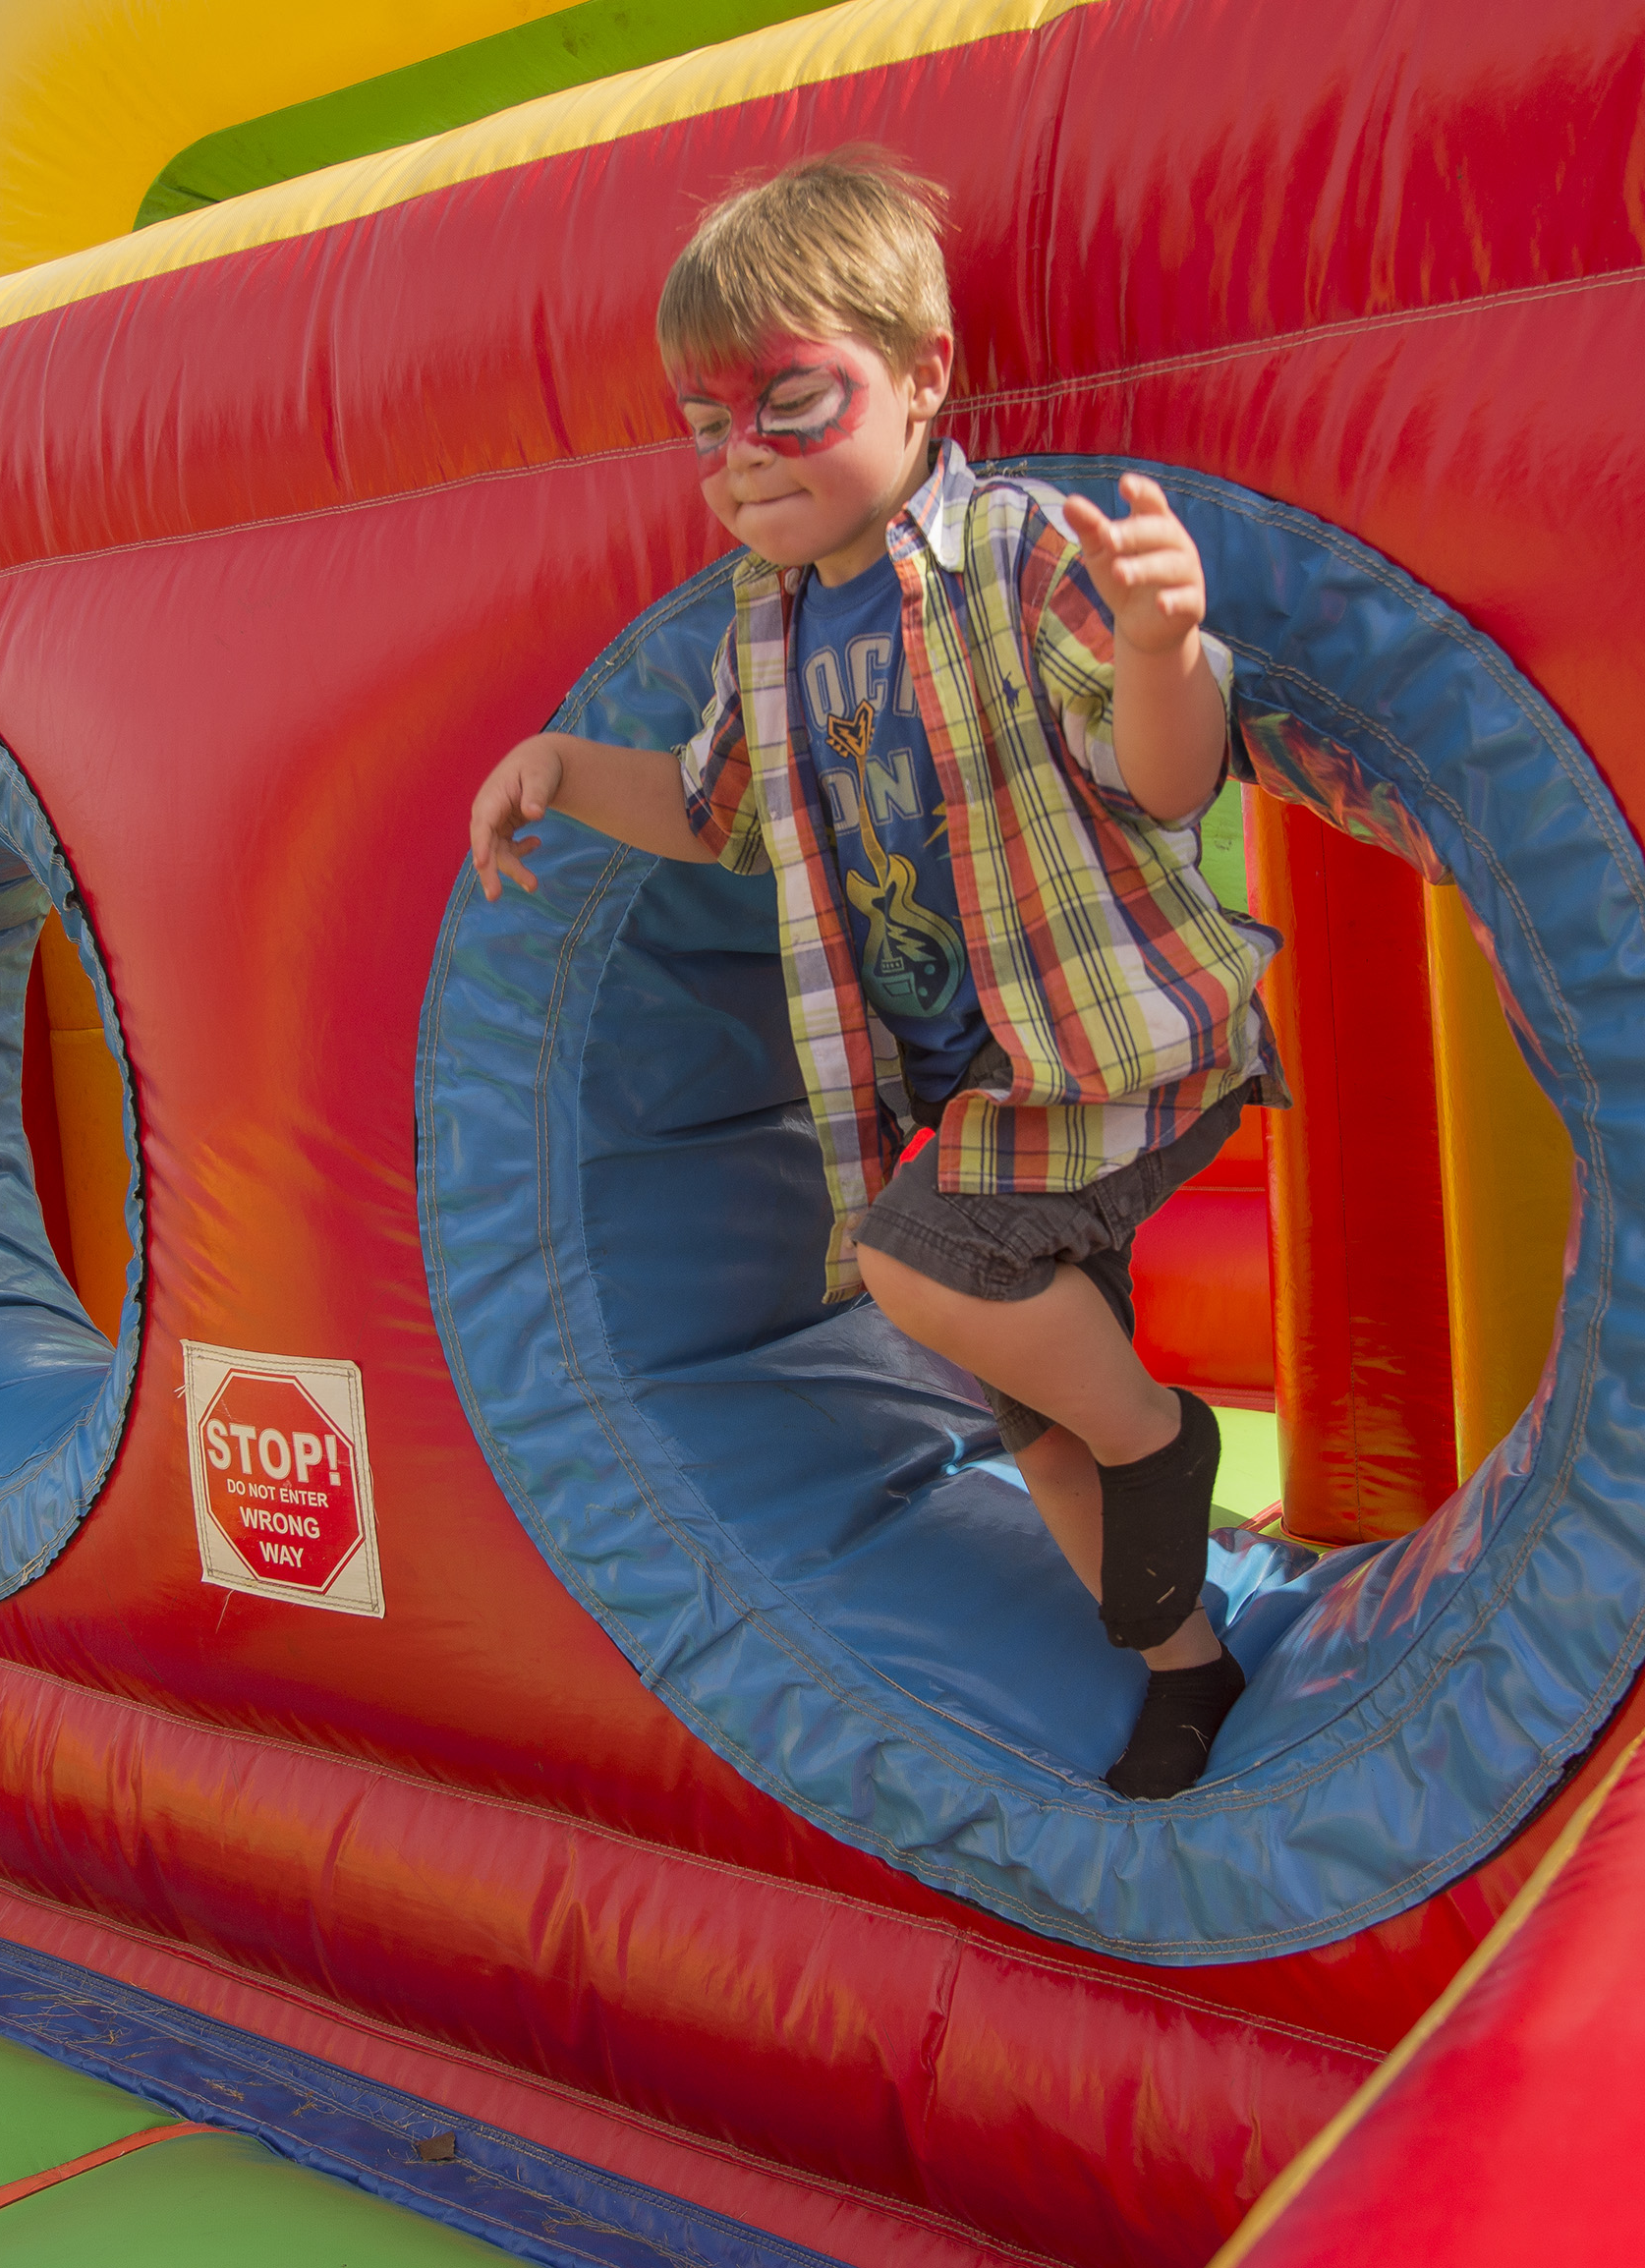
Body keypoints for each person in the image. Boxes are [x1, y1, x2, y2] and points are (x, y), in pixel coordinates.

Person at [465, 151, 1285, 1800]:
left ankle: (1164, 1443)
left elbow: (1172, 779)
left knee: (919, 1264)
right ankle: (1184, 1665)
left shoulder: (1017, 552)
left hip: (1108, 1048)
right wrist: (564, 762)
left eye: (790, 401)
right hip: (965, 1086)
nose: (742, 461)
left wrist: (1159, 650)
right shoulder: (764, 631)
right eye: (707, 429)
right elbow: (714, 817)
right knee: (1027, 1417)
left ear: (921, 378)